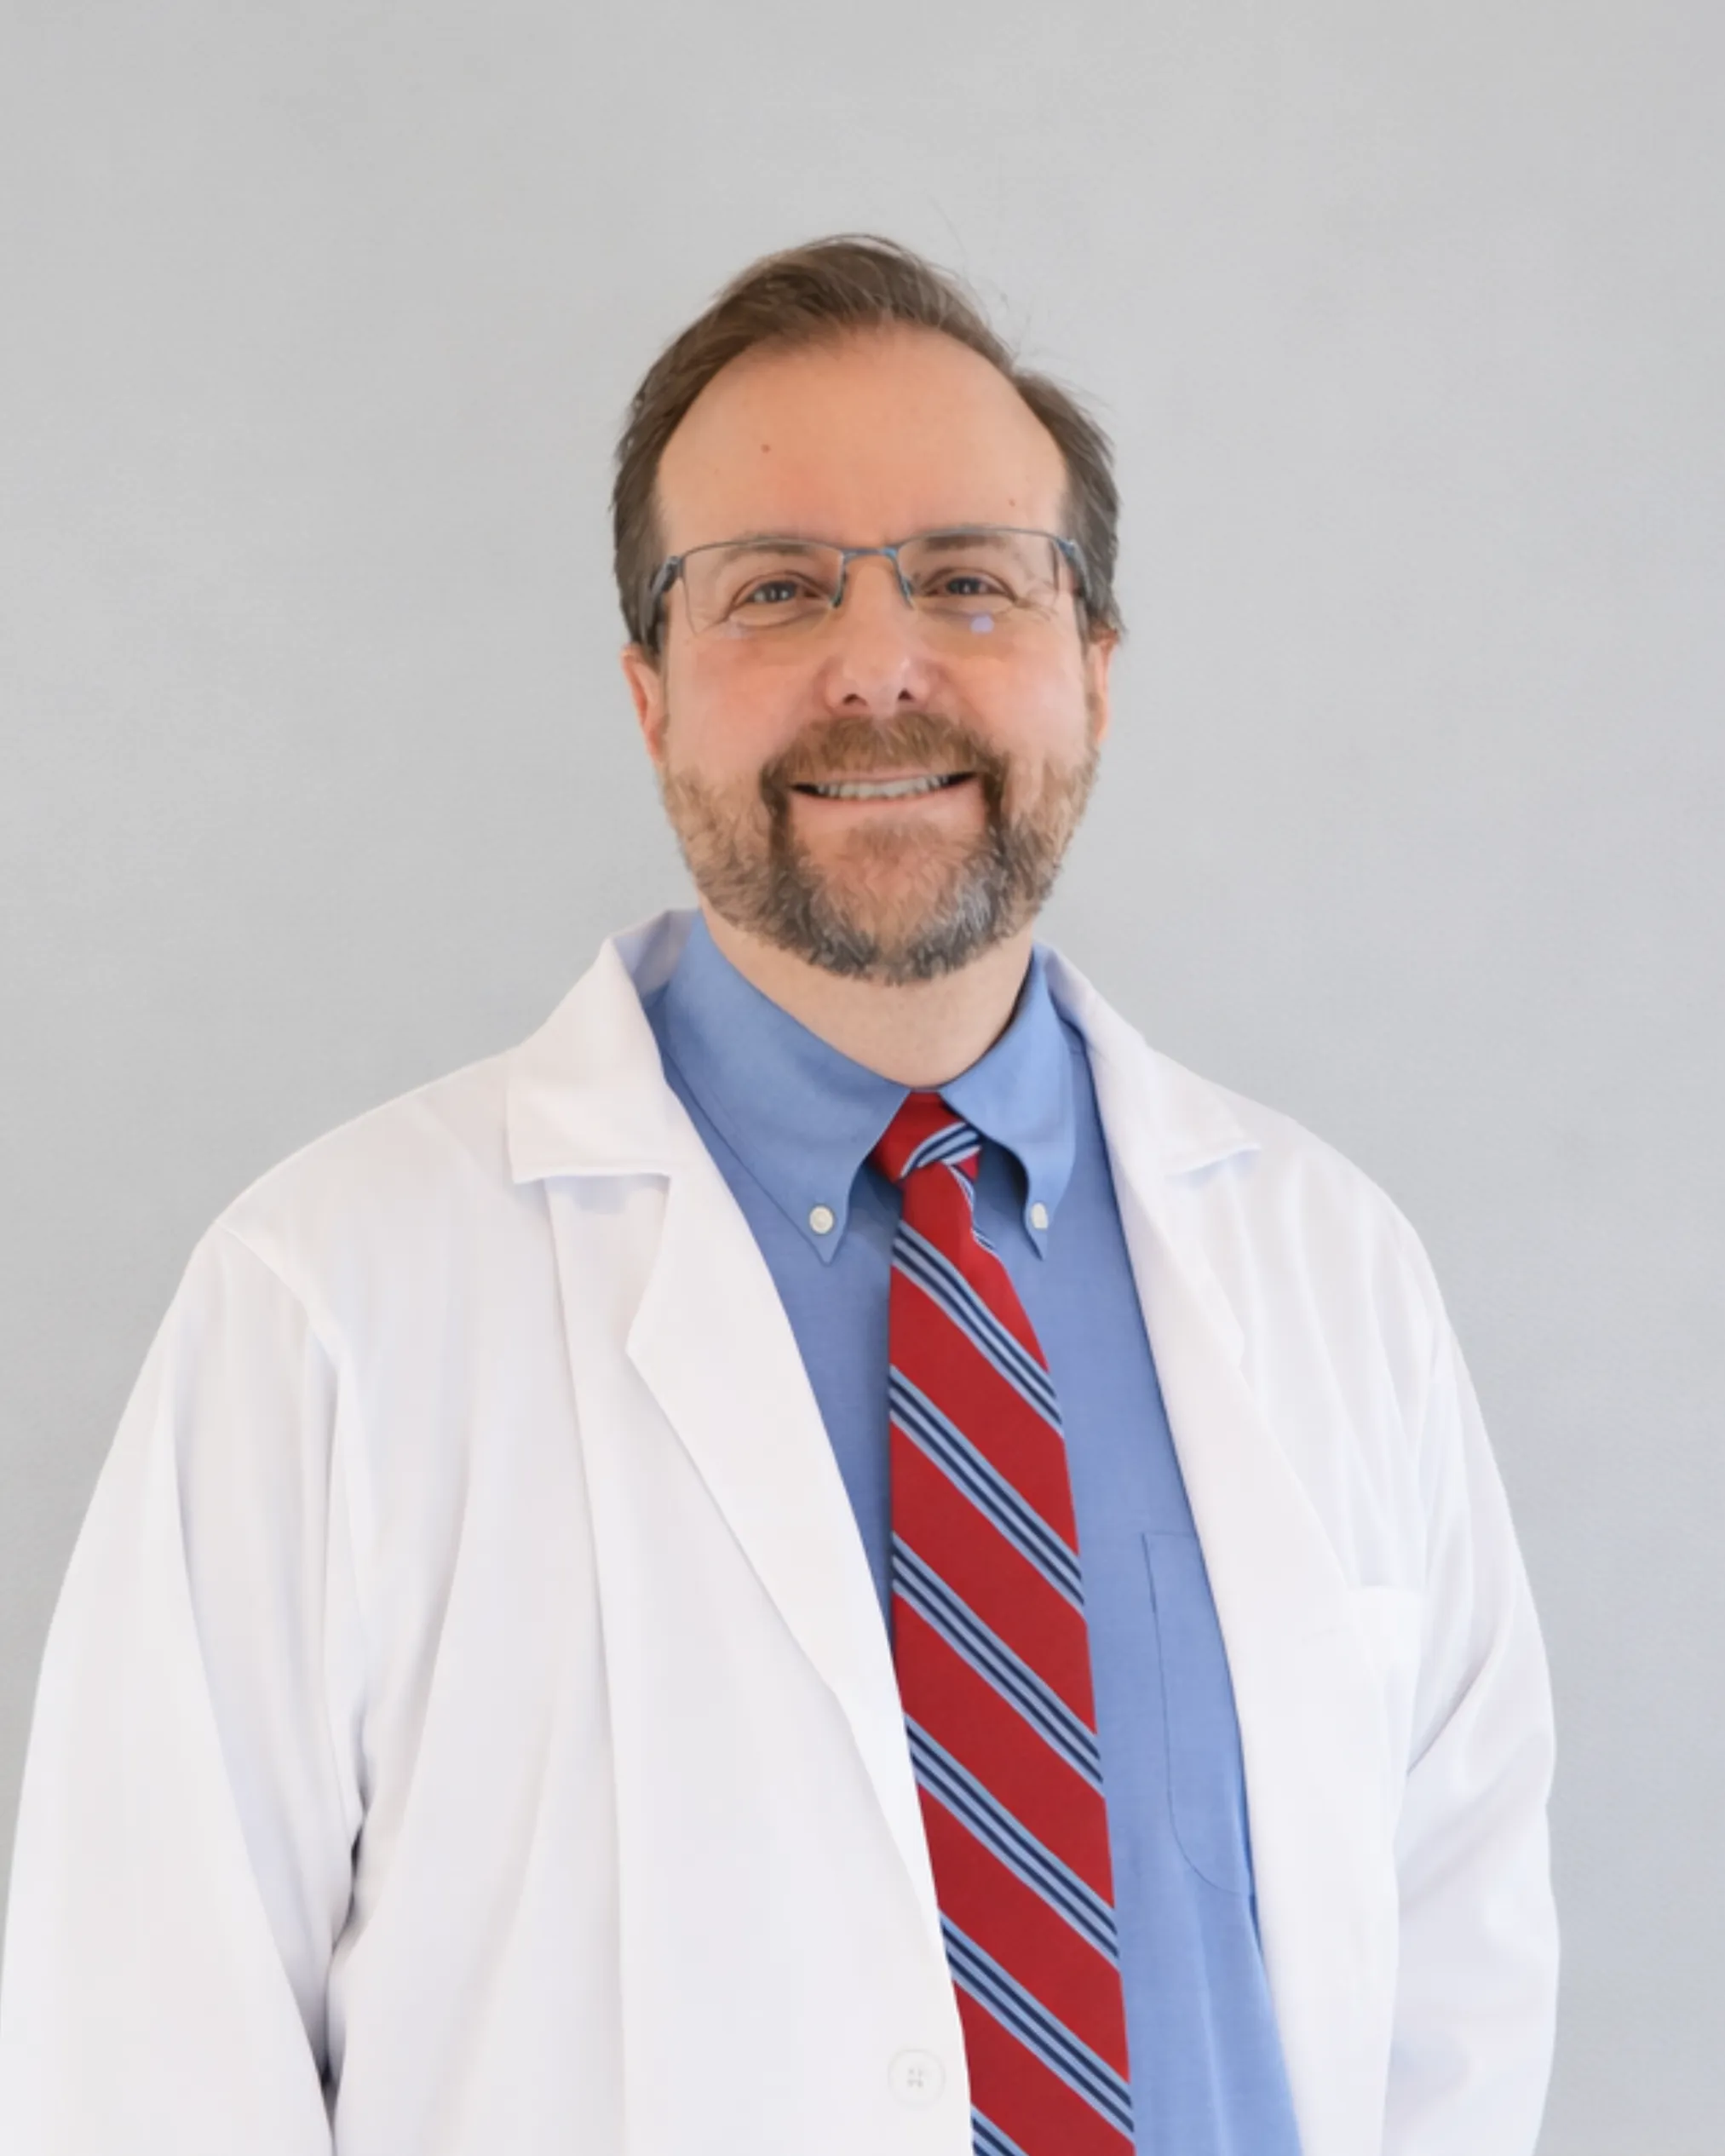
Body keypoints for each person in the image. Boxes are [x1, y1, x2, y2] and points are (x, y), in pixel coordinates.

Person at [0, 236, 1556, 2156]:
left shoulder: (1333, 1272)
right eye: (776, 590)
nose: (878, 663)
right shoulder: (325, 1299)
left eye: (972, 581)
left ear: (1094, 667)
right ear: (651, 692)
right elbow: (145, 2053)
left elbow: (1457, 1989)